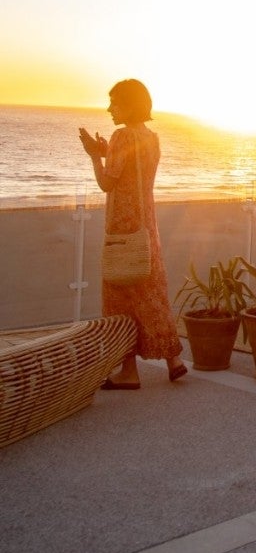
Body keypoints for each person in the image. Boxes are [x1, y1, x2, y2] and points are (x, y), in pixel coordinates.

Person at [78, 79, 186, 389]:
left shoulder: (122, 135)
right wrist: (107, 150)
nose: (109, 108)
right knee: (151, 293)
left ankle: (128, 371)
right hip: (146, 226)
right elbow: (132, 168)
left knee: (120, 299)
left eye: (114, 102)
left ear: (129, 104)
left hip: (122, 228)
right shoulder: (150, 137)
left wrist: (94, 155)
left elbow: (108, 183)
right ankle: (173, 359)